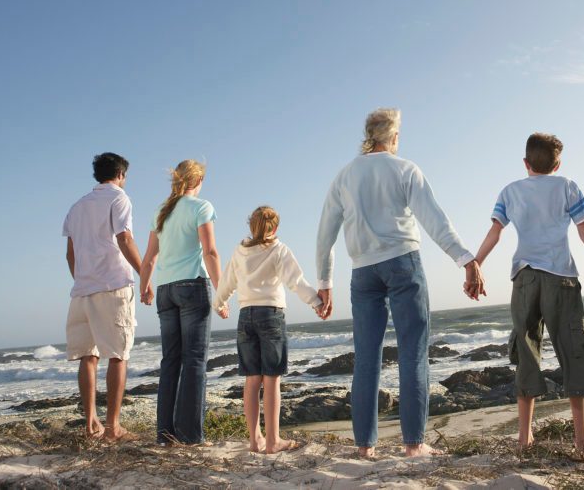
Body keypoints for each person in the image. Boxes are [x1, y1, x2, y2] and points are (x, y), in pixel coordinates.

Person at [314, 108, 485, 458]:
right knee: (412, 352)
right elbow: (434, 218)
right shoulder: (405, 168)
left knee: (366, 359)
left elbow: (324, 234)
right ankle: (413, 444)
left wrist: (324, 281)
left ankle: (364, 447)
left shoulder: (343, 175)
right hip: (402, 263)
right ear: (392, 137)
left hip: (362, 272)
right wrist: (465, 259)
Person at [472, 133, 584, 454]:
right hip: (561, 277)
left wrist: (476, 265)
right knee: (573, 349)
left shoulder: (510, 191)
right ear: (558, 163)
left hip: (524, 279)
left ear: (526, 163)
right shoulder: (567, 186)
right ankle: (581, 439)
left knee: (526, 350)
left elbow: (494, 233)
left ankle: (524, 437)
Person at [213, 206, 325, 454]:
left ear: (251, 226)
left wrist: (219, 304)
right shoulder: (279, 249)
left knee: (252, 379)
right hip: (271, 315)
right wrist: (316, 302)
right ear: (274, 228)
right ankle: (273, 440)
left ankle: (255, 440)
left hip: (245, 316)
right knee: (272, 378)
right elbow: (296, 281)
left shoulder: (240, 250)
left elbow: (227, 282)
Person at [139, 159, 221, 445]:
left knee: (170, 361)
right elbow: (210, 252)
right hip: (192, 287)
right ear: (197, 181)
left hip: (165, 290)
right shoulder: (201, 207)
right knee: (195, 361)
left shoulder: (162, 211)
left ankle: (165, 435)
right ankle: (190, 436)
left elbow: (149, 256)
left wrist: (144, 287)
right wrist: (221, 293)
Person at [62, 152, 142, 442]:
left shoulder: (76, 206)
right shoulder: (119, 198)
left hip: (82, 290)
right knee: (118, 355)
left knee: (88, 355)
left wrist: (83, 278)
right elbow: (125, 238)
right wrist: (145, 272)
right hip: (113, 285)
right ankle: (113, 427)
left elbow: (70, 254)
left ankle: (91, 422)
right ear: (120, 174)